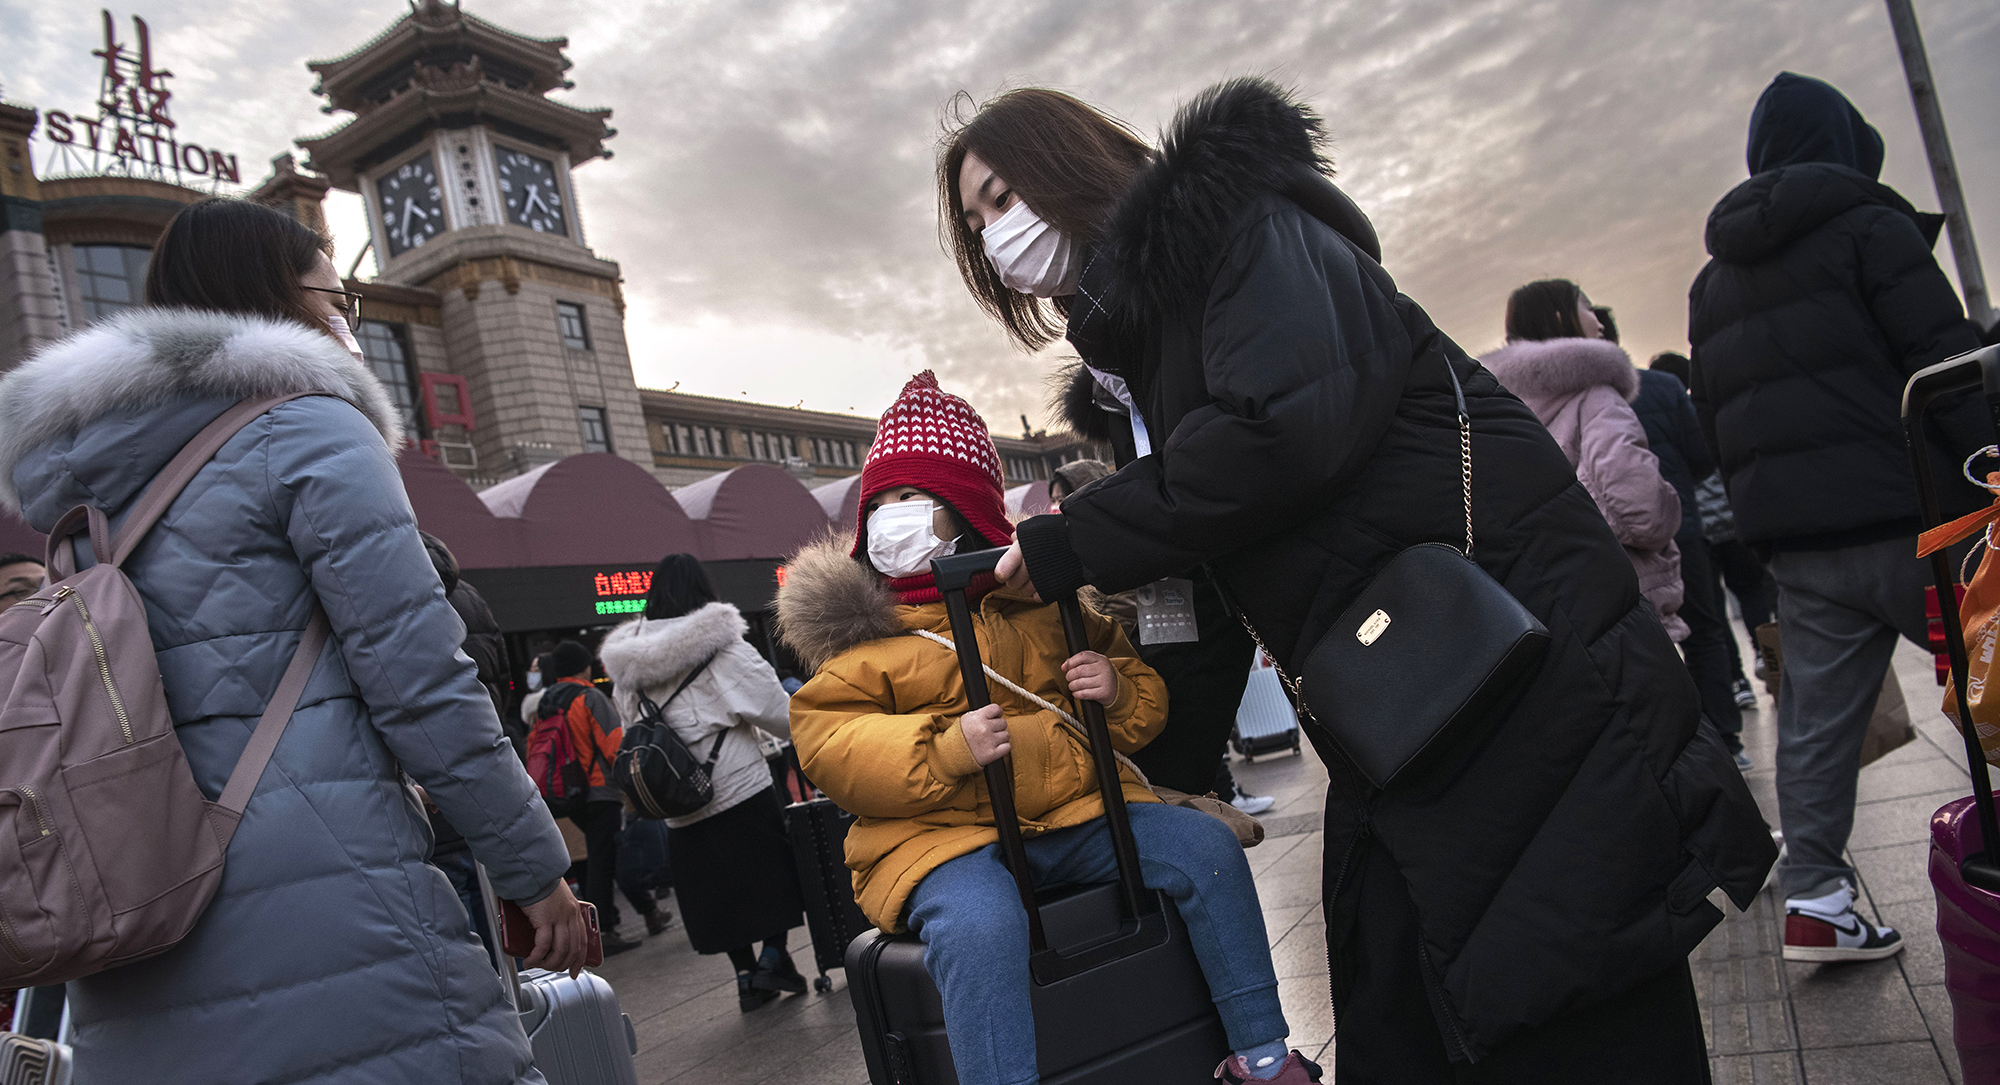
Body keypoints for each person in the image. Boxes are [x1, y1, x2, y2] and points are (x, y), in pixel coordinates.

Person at [944, 80, 1772, 1080]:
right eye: (976, 218)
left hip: (1507, 649)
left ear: (1067, 164)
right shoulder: (1137, 372)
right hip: (1409, 691)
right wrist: (1147, 770)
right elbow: (1208, 584)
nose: (998, 233)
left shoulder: (1245, 233)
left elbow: (1284, 428)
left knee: (1575, 983)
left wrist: (1079, 538)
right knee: (1407, 994)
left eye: (1003, 194)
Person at [0, 197, 584, 1085]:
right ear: (276, 299)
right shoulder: (307, 429)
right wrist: (533, 866)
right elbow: (422, 680)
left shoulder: (86, 490)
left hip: (135, 919)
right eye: (334, 294)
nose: (343, 316)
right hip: (334, 903)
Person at [777, 372, 1316, 1084]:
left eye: (914, 497)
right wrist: (944, 749)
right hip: (940, 839)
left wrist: (1117, 690)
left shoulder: (1048, 607)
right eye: (881, 500)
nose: (891, 516)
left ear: (967, 510)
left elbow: (1143, 704)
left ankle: (1262, 1052)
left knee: (1203, 848)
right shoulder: (860, 642)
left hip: (1073, 814)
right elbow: (831, 742)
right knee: (980, 927)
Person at [1689, 72, 1987, 961]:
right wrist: (1986, 473)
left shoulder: (1713, 282)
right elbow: (1946, 365)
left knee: (1817, 720)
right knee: (1995, 677)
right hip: (1918, 520)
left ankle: (1817, 898)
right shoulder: (1872, 228)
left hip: (1800, 546)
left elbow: (1717, 417)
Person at [598, 554, 807, 1011]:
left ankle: (746, 976)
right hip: (737, 783)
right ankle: (775, 954)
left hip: (676, 798)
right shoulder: (722, 646)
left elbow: (629, 720)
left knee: (714, 890)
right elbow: (776, 709)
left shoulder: (628, 662)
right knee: (767, 874)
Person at [1052, 459, 1276, 815]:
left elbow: (1127, 605)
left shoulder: (1116, 549)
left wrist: (1110, 634)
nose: (1057, 505)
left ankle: (1223, 794)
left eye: (1065, 496)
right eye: (1054, 498)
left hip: (1138, 655)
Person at [1481, 280, 1690, 642]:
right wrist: (1670, 505)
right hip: (1622, 594)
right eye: (1589, 309)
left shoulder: (1491, 404)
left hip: (1545, 600)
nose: (1600, 322)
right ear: (1563, 317)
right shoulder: (1594, 395)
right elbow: (1641, 507)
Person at [1633, 352, 1747, 767]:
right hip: (1679, 528)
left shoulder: (1530, 397)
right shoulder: (1661, 387)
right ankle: (1727, 740)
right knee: (1705, 631)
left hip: (1604, 543)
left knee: (1636, 647)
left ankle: (1665, 752)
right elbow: (1702, 457)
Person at [1648, 353, 1770, 709]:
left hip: (1690, 529)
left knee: (1712, 613)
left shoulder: (1655, 411)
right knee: (1751, 591)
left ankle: (1737, 680)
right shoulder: (1697, 414)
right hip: (1730, 524)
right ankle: (1765, 652)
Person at [536, 639, 659, 954]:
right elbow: (613, 744)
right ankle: (602, 930)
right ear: (585, 667)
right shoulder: (589, 697)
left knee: (597, 859)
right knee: (604, 860)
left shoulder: (547, 701)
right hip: (599, 789)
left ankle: (642, 914)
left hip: (566, 794)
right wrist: (631, 783)